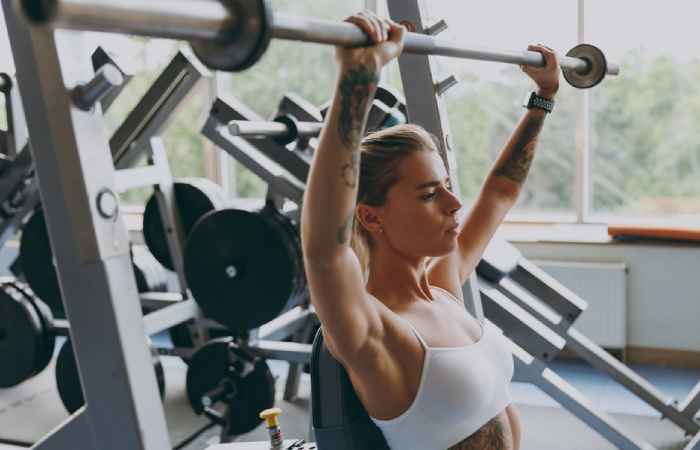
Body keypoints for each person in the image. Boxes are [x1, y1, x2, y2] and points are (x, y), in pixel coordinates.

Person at [301, 10, 560, 450]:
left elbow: (498, 192)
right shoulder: (377, 330)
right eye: (427, 195)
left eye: (446, 187)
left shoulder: (443, 286)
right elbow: (325, 249)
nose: (453, 204)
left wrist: (544, 97)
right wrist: (357, 83)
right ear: (371, 216)